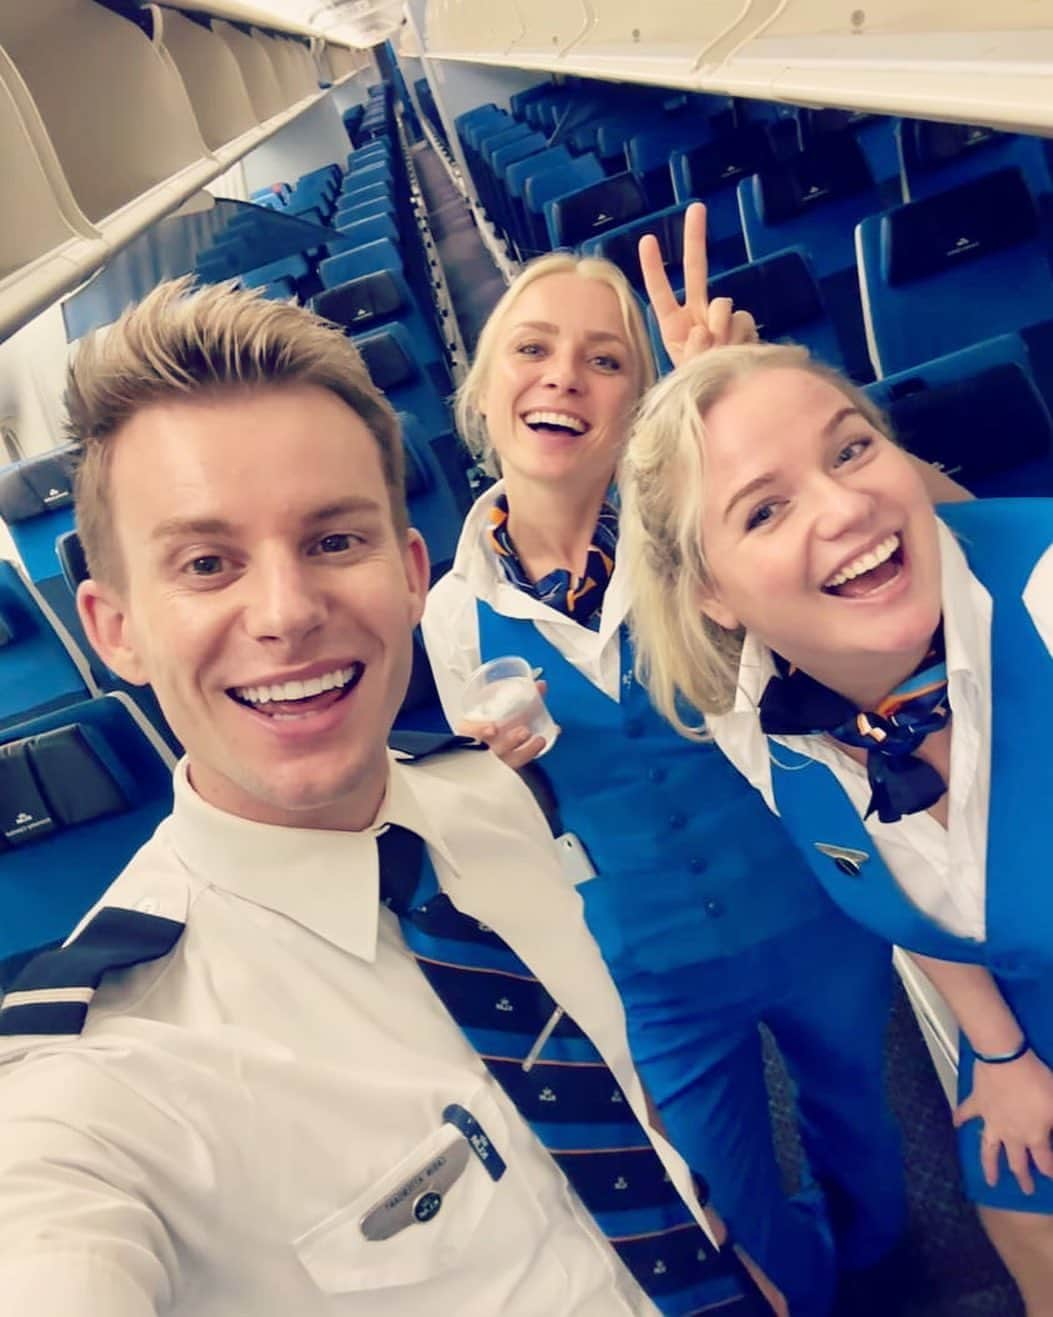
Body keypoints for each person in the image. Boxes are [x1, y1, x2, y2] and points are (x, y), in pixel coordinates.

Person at [0, 278, 780, 1316]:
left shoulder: (488, 801)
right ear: (115, 629)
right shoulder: (99, 1090)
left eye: (333, 541)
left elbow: (606, 1092)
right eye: (205, 561)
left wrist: (711, 1236)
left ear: (411, 572)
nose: (285, 612)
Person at [420, 205, 967, 1316]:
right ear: (483, 393)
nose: (563, 376)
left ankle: (887, 1273)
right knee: (729, 1202)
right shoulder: (452, 616)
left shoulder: (720, 533)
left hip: (816, 905)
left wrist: (736, 417)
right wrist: (510, 776)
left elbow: (939, 549)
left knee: (867, 1138)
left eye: (606, 359)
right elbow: (515, 830)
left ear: (636, 408)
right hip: (650, 962)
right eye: (532, 348)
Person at [620, 341, 1053, 1313]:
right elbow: (925, 890)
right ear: (713, 595)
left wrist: (757, 416)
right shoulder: (755, 723)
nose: (844, 508)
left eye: (852, 451)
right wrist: (1001, 1051)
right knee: (1019, 1218)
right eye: (764, 509)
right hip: (1024, 1025)